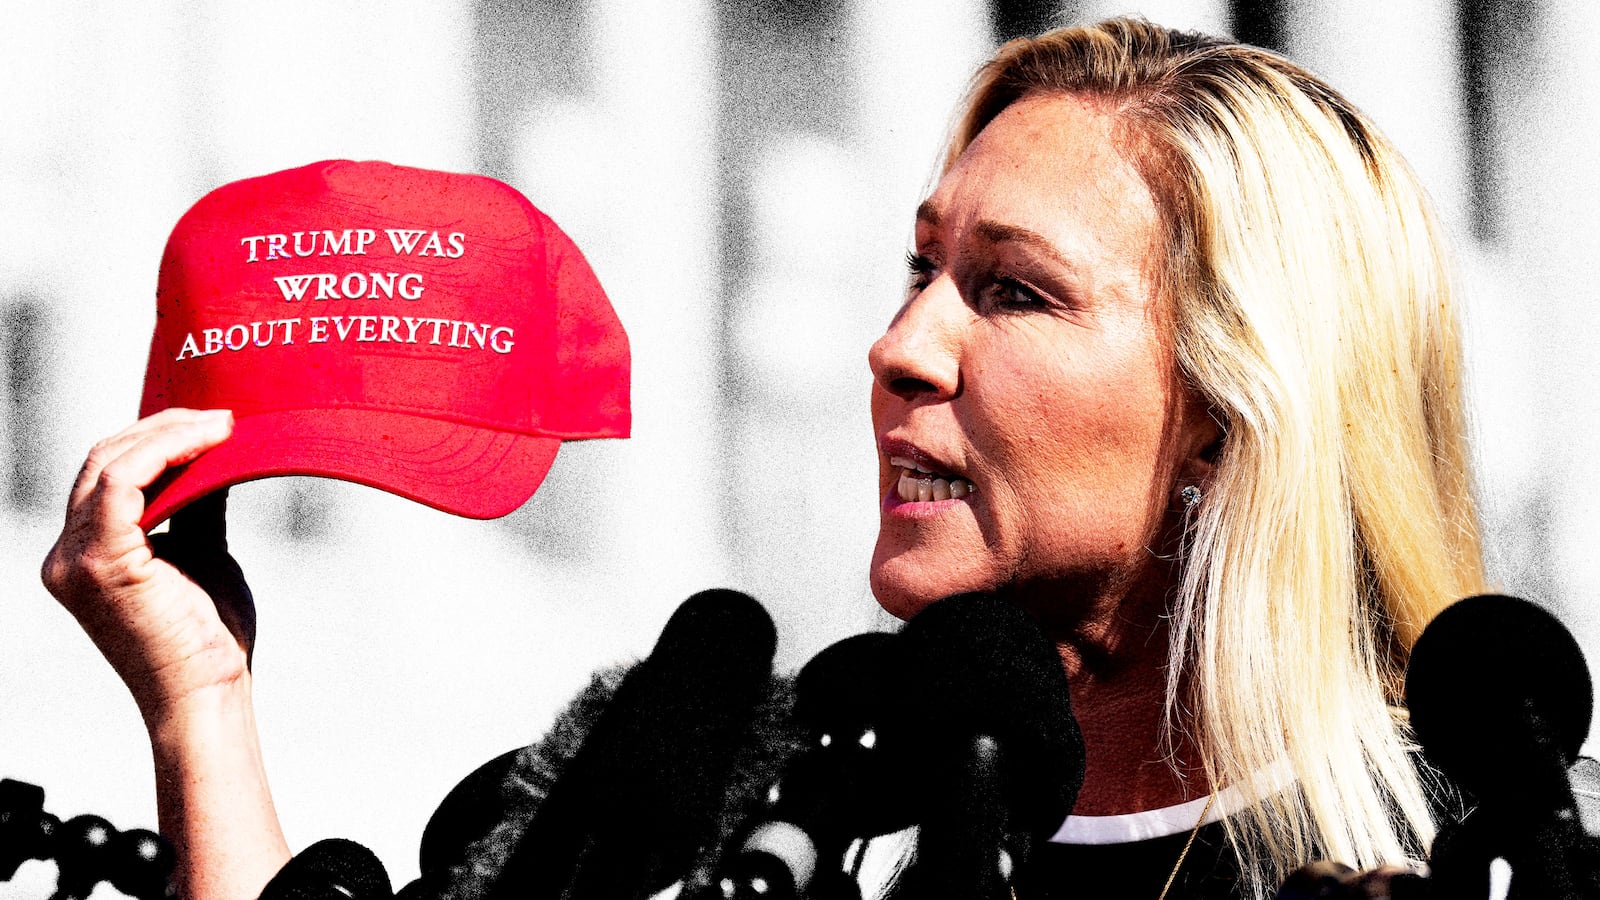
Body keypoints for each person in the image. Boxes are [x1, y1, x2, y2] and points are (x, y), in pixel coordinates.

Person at [42, 17, 1492, 900]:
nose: (900, 348)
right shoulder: (708, 794)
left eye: (1012, 291)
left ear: (1235, 406)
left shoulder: (1494, 849)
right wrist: (201, 703)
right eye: (918, 271)